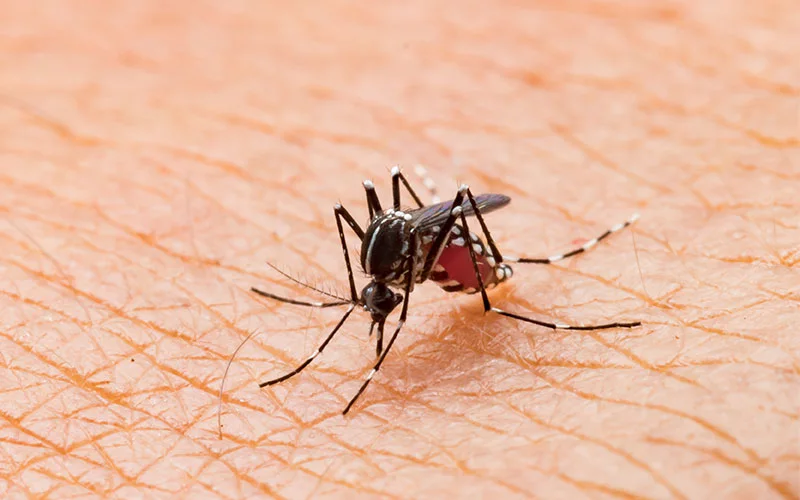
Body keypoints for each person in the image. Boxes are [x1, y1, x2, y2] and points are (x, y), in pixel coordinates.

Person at [1, 2, 796, 498]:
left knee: (430, 206)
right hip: (420, 241)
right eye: (376, 307)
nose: (379, 312)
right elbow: (372, 276)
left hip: (450, 237)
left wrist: (451, 284)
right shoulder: (378, 276)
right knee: (372, 202)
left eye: (376, 307)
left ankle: (515, 292)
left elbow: (419, 241)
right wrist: (350, 313)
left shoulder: (401, 270)